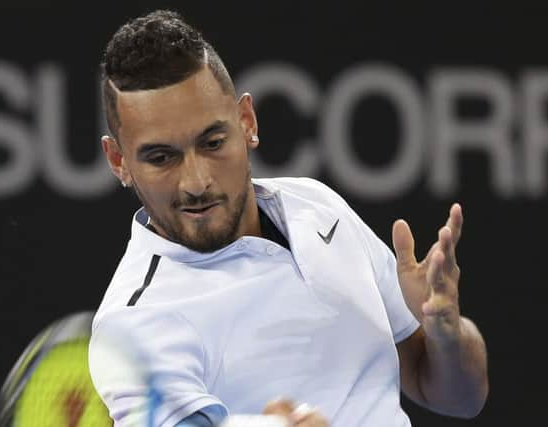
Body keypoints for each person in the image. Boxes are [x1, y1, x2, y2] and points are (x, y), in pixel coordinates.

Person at [88, 9, 489, 427]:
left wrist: (446, 336)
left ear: (246, 122)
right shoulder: (134, 322)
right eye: (161, 157)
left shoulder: (319, 206)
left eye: (212, 142)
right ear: (119, 161)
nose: (196, 181)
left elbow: (457, 397)